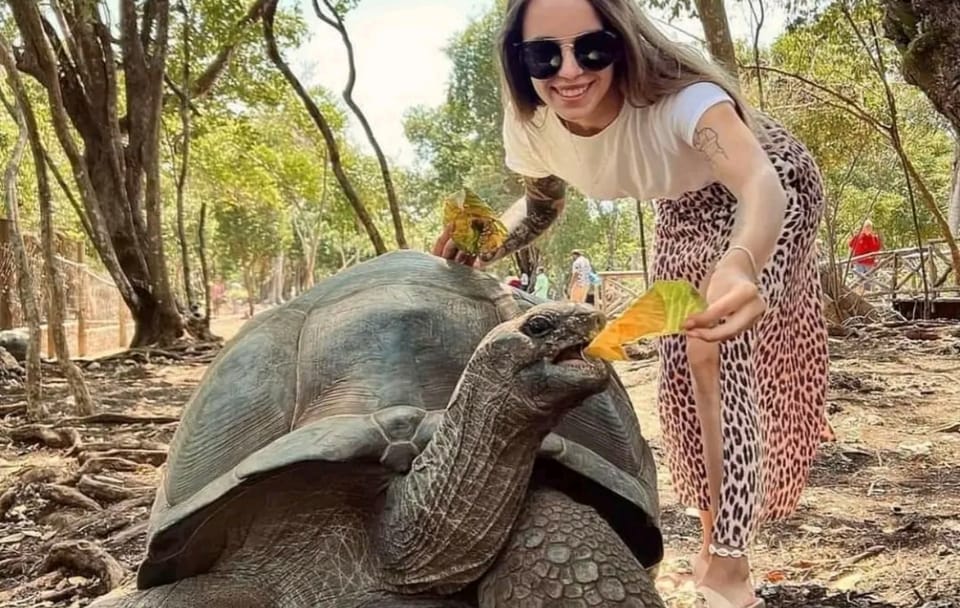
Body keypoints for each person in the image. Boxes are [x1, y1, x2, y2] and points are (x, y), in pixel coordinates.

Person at [432, 1, 828, 606]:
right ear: (519, 59)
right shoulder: (531, 125)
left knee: (712, 350)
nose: (568, 71)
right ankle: (711, 525)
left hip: (776, 190)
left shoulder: (684, 101)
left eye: (591, 49)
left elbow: (758, 183)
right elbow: (541, 207)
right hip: (680, 203)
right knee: (677, 369)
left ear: (622, 42)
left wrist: (743, 261)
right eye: (544, 54)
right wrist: (482, 241)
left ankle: (729, 564)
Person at [848, 219, 882, 291]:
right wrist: (850, 259)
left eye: (869, 227)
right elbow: (851, 247)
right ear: (863, 228)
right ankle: (858, 294)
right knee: (858, 280)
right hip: (859, 262)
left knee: (869, 281)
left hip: (870, 263)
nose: (868, 228)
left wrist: (878, 260)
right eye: (866, 227)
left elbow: (878, 250)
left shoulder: (874, 238)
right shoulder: (857, 237)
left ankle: (868, 296)